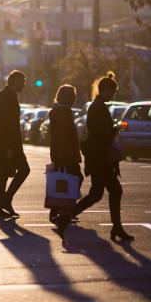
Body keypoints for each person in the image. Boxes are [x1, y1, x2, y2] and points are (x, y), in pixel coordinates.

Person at [57, 73, 134, 242]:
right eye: (112, 91)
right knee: (114, 190)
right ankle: (116, 227)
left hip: (97, 156)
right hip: (101, 157)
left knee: (97, 193)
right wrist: (116, 129)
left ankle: (67, 217)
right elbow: (102, 134)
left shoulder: (96, 106)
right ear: (105, 90)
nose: (113, 95)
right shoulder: (99, 107)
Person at [0, 70, 29, 219]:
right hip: (8, 145)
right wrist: (10, 148)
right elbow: (7, 124)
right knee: (17, 171)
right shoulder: (7, 97)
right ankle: (2, 202)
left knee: (3, 175)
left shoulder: (4, 95)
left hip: (7, 144)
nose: (24, 85)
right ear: (15, 81)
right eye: (22, 82)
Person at [48, 84, 84, 223]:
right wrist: (63, 153)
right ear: (67, 97)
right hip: (66, 153)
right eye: (73, 96)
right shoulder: (63, 111)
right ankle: (62, 211)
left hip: (63, 152)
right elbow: (63, 135)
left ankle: (60, 211)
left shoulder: (59, 110)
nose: (75, 98)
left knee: (65, 181)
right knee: (73, 179)